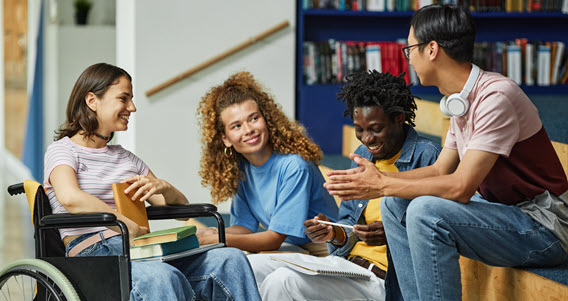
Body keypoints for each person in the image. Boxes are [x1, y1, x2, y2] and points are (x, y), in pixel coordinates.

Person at [325, 4, 568, 300]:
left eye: (410, 49)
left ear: (431, 50)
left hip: (545, 226)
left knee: (425, 211)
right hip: (506, 213)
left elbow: (461, 187)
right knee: (394, 204)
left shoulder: (495, 97)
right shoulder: (460, 101)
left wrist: (382, 183)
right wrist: (381, 183)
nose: (408, 58)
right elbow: (440, 169)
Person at [44, 63, 261, 301]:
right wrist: (124, 223)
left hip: (138, 249)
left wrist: (165, 188)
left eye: (131, 99)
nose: (132, 107)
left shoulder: (126, 158)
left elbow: (179, 210)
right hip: (94, 252)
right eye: (124, 99)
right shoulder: (63, 151)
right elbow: (70, 198)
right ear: (92, 100)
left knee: (231, 260)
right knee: (162, 277)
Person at [248, 70, 442, 300]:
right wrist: (333, 232)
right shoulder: (362, 156)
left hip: (382, 282)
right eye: (360, 129)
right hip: (345, 265)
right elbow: (349, 222)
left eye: (375, 128)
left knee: (283, 281)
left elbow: (439, 232)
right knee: (248, 265)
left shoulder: (428, 158)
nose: (366, 138)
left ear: (399, 117)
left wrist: (392, 234)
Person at [196, 71, 338, 255]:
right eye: (236, 126)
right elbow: (244, 227)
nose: (248, 130)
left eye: (254, 118)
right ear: (226, 139)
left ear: (267, 120)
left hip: (325, 248)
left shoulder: (294, 166)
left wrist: (217, 238)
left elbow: (272, 240)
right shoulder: (241, 169)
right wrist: (212, 233)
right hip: (292, 245)